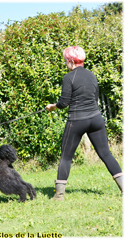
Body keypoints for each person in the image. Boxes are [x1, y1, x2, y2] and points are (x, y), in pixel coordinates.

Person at [45, 46, 123, 200]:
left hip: (76, 121)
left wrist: (53, 106)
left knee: (66, 157)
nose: (65, 63)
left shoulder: (69, 77)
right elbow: (94, 99)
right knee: (106, 154)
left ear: (71, 61)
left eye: (66, 61)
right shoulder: (92, 75)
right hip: (96, 119)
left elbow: (64, 102)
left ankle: (59, 195)